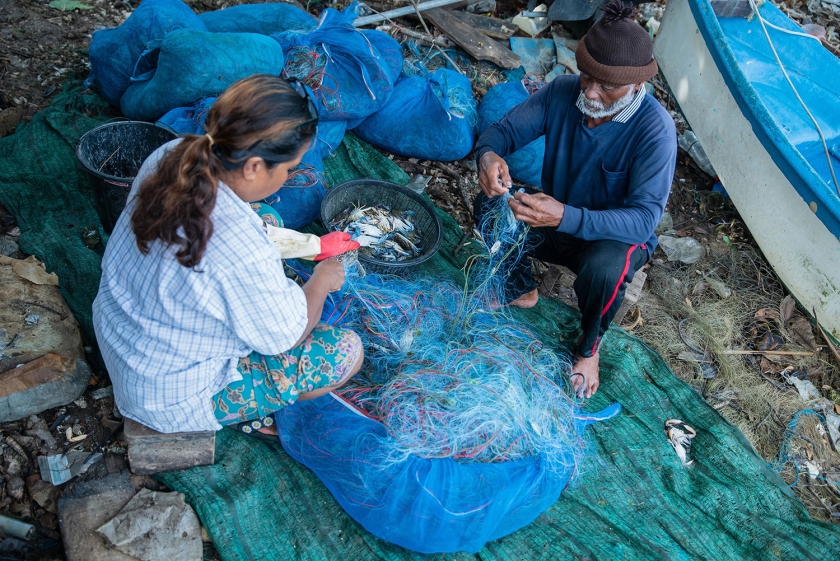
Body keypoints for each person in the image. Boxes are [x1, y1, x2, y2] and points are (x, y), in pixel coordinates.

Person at [93, 74, 363, 439]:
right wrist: (322, 281)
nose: (289, 176)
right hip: (166, 396)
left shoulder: (172, 154)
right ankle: (242, 412)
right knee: (346, 351)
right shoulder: (240, 250)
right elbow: (289, 337)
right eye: (288, 168)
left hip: (121, 335)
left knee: (266, 218)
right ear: (252, 166)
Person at [474, 0, 676, 399]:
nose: (592, 92)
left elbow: (641, 222)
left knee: (606, 267)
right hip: (553, 218)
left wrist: (565, 215)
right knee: (490, 204)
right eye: (586, 77)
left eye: (607, 86)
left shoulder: (656, 129)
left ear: (637, 84)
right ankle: (520, 289)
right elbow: (502, 132)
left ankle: (589, 348)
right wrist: (488, 155)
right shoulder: (564, 92)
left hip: (607, 238)